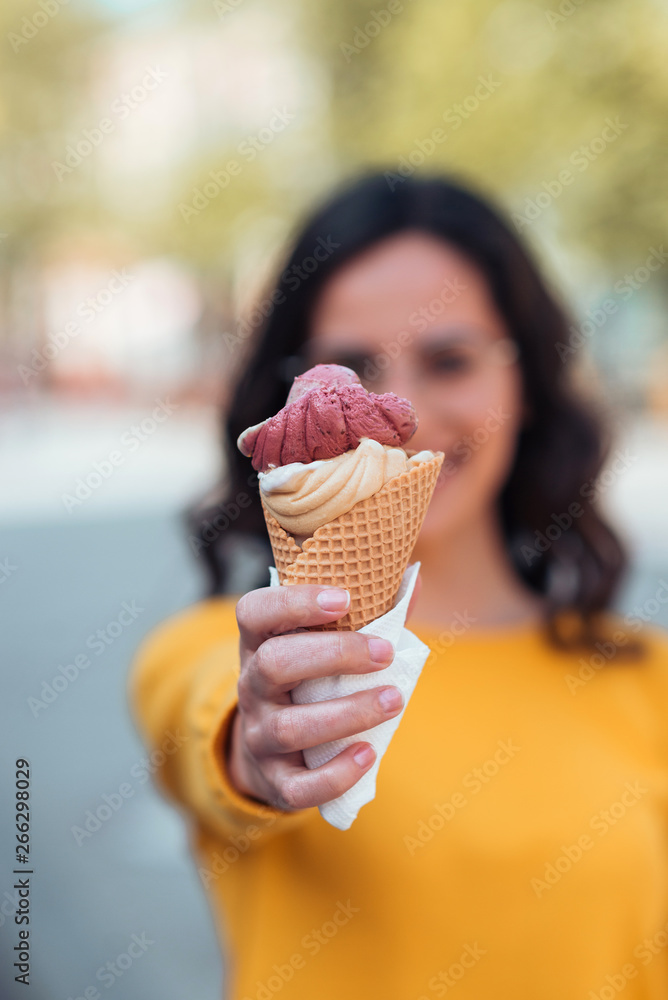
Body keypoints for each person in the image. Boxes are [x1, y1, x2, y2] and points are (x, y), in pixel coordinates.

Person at [130, 173, 668, 1000]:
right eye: (349, 366)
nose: (402, 408)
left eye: (449, 359)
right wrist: (261, 743)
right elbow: (222, 734)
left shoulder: (647, 678)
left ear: (523, 386)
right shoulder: (222, 655)